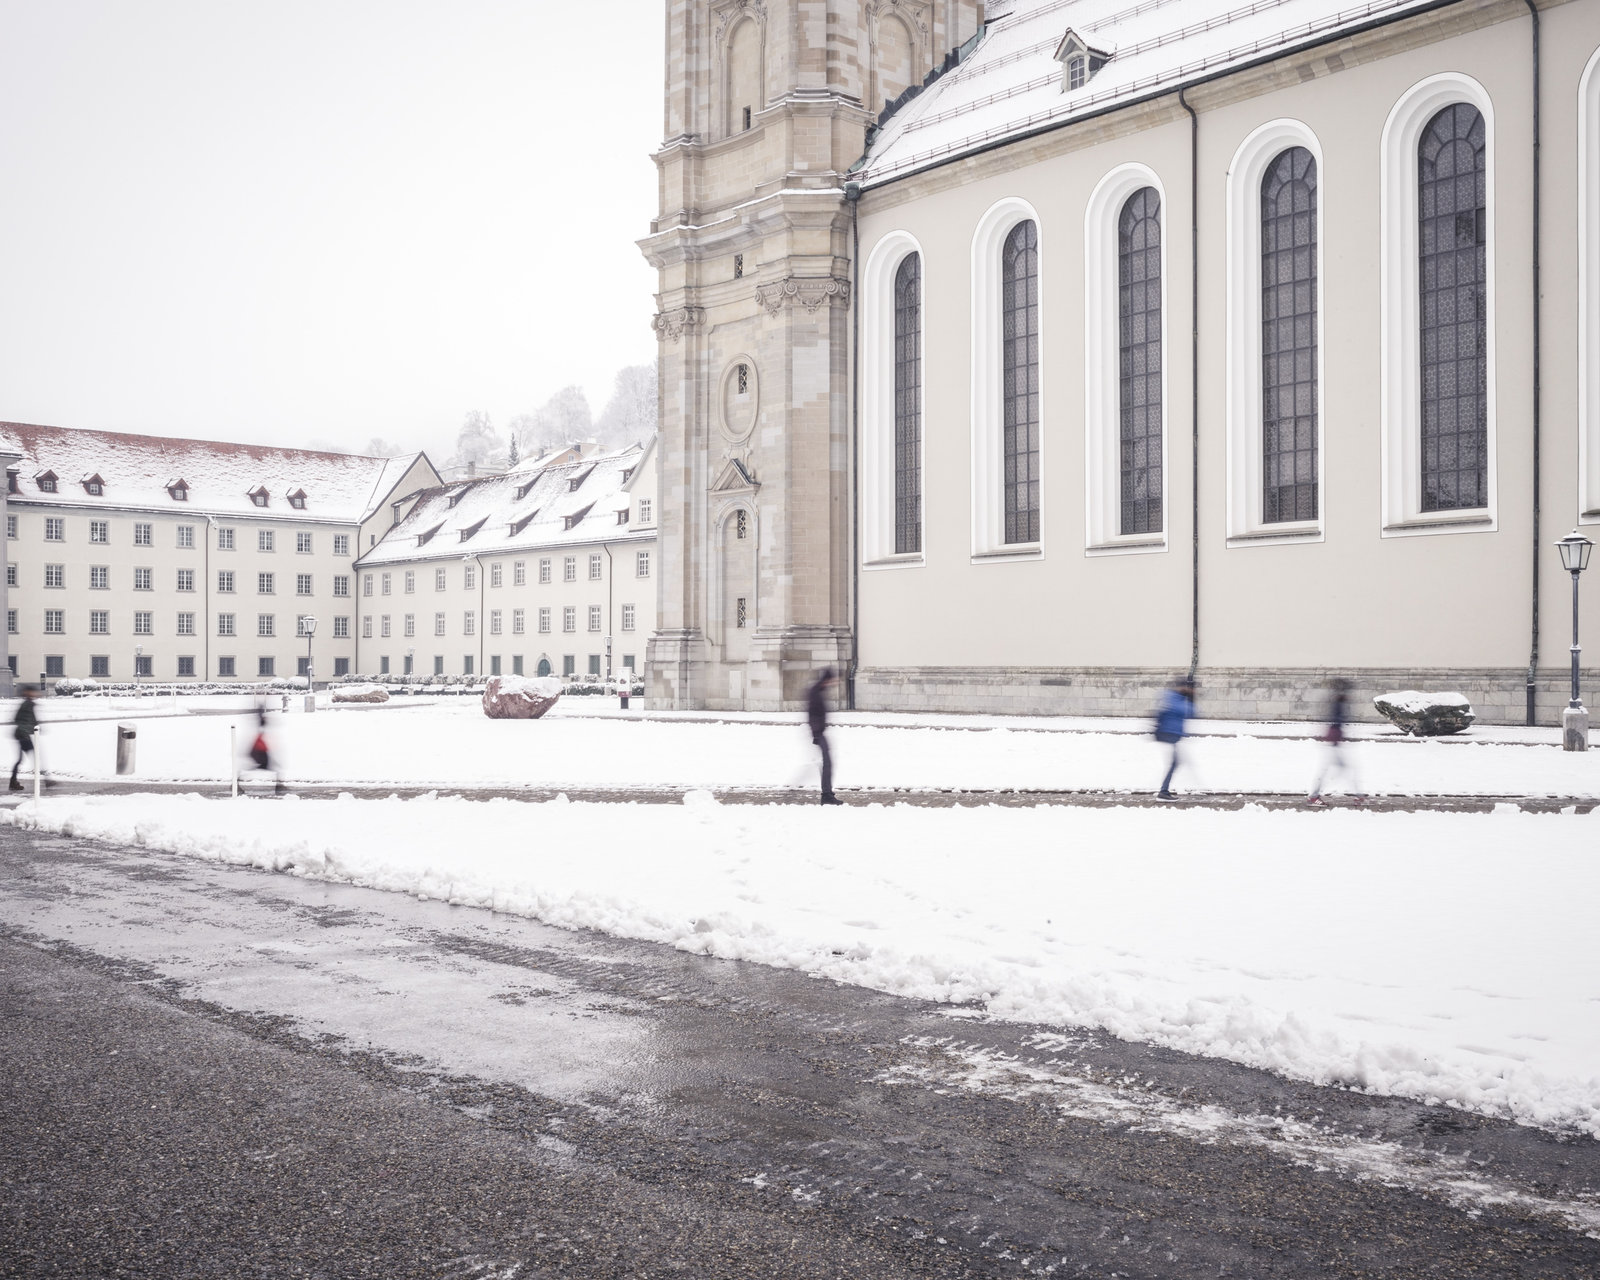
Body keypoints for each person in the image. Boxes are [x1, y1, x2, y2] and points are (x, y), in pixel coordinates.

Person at [1309, 678, 1364, 805]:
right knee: (1341, 770)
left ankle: (1314, 795)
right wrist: (1338, 735)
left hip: (1334, 742)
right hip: (1334, 742)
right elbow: (1336, 720)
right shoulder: (1338, 702)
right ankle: (1314, 796)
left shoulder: (1338, 701)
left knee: (1337, 770)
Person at [1154, 678, 1195, 800]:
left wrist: (1191, 698)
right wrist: (1190, 698)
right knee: (1175, 762)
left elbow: (1191, 714)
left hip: (1172, 735)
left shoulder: (1179, 699)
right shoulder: (1174, 699)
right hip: (1168, 734)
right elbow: (1187, 711)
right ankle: (1163, 792)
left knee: (1175, 762)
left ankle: (1164, 791)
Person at [806, 668, 842, 805]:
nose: (834, 683)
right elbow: (812, 714)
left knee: (827, 763)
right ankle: (826, 795)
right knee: (827, 763)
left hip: (819, 732)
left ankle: (827, 794)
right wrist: (816, 734)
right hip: (819, 733)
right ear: (827, 680)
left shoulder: (818, 690)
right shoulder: (815, 692)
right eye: (832, 680)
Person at [245, 706, 285, 795]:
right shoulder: (260, 733)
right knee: (274, 768)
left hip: (259, 753)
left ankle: (236, 782)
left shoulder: (260, 731)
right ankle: (278, 787)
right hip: (260, 754)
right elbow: (259, 743)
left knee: (254, 768)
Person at [9, 686, 43, 791]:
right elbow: (22, 720)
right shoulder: (27, 705)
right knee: (36, 757)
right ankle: (47, 781)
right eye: (32, 692)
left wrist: (35, 727)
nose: (35, 694)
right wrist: (30, 729)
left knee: (20, 760)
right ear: (27, 693)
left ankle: (13, 782)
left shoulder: (28, 704)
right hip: (23, 735)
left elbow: (28, 720)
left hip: (21, 734)